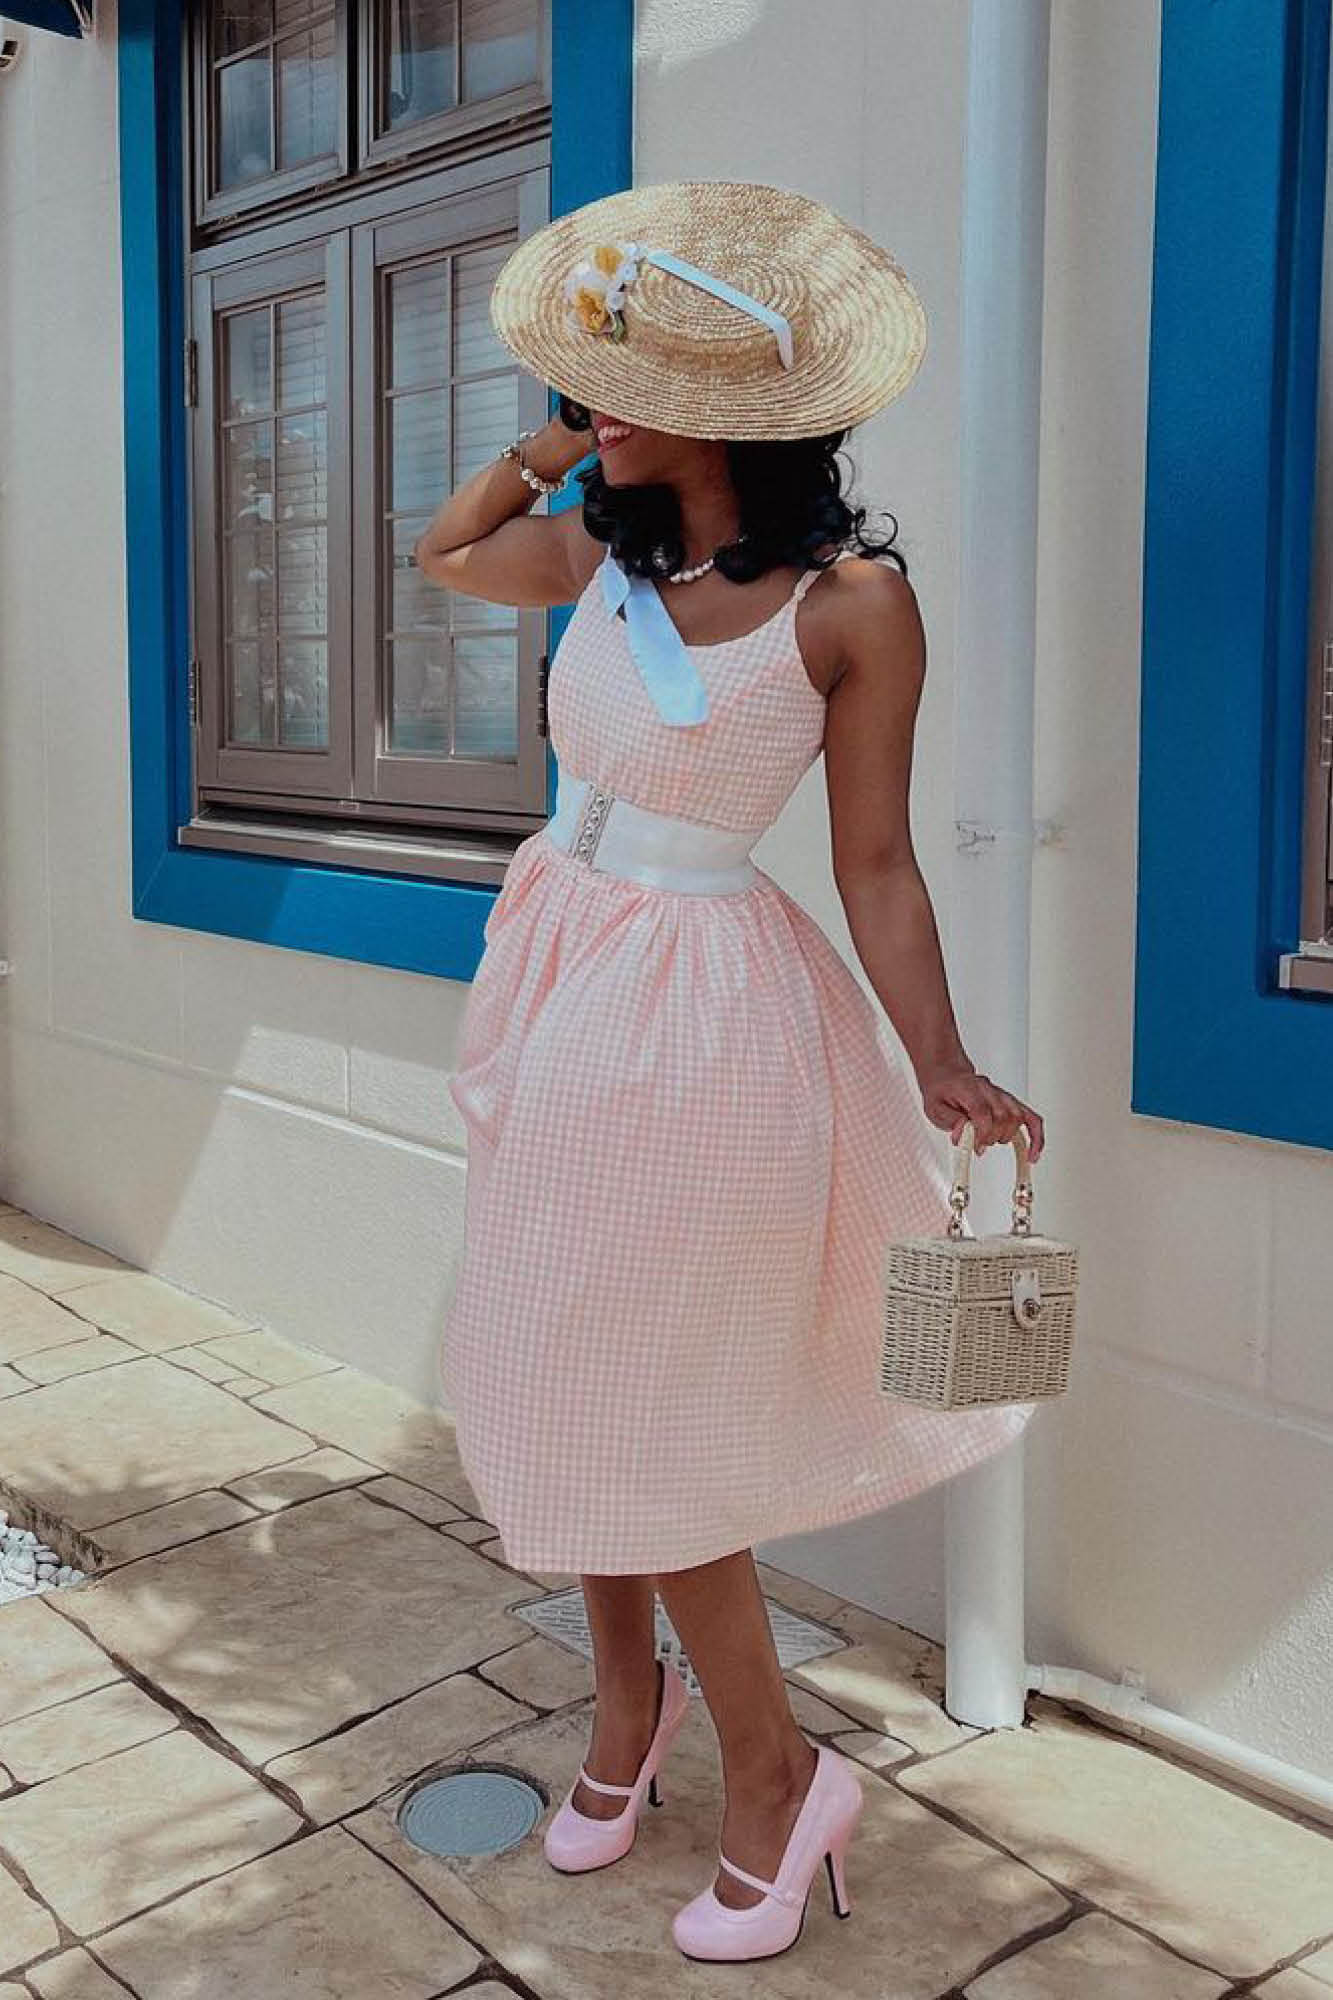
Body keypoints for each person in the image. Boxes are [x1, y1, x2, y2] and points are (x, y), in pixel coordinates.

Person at [416, 179, 1045, 1966]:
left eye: (636, 376)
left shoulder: (852, 606)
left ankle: (775, 1776)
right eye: (597, 374)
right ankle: (632, 1716)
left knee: (652, 1410)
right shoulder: (601, 557)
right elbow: (443, 556)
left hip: (700, 1020)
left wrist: (938, 1058)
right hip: (554, 978)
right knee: (562, 1367)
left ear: (756, 414)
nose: (601, 391)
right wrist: (549, 452)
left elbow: (875, 865)